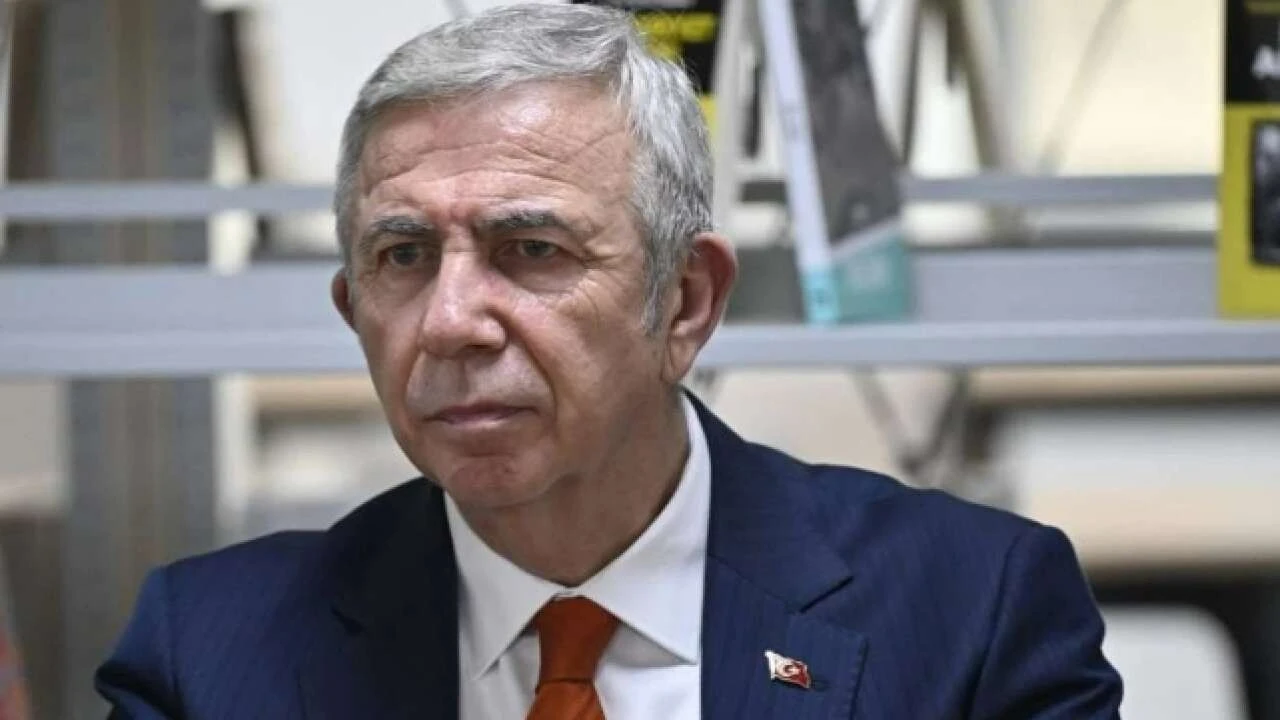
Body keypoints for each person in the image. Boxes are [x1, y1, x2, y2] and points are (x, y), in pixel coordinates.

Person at [96, 4, 1122, 718]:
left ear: (684, 302)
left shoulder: (969, 616)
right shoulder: (211, 656)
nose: (450, 322)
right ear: (351, 309)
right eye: (402, 257)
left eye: (530, 250)